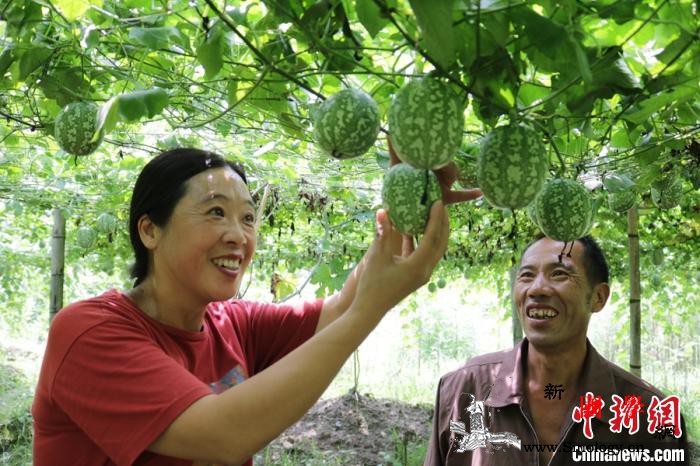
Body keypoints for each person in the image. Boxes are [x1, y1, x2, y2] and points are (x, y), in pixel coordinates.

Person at [31, 147, 465, 466]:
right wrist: (369, 311)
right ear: (149, 230)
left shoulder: (232, 323)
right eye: (216, 212)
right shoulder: (88, 332)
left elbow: (343, 306)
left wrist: (409, 202)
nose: (238, 234)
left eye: (249, 217)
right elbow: (223, 435)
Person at [424, 235, 689, 466]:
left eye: (559, 274)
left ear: (598, 297)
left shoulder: (649, 415)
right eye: (526, 275)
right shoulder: (462, 391)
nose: (537, 288)